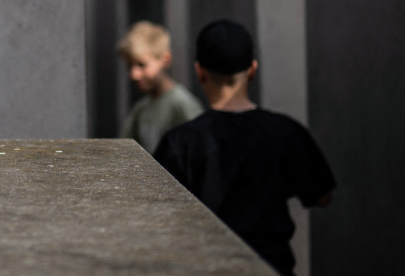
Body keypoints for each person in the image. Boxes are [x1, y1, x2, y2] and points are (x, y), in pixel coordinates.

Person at [153, 19, 336, 276]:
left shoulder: (179, 142)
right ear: (252, 70)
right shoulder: (285, 132)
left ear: (199, 72)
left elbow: (156, 214)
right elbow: (322, 195)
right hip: (272, 267)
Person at [117, 21, 203, 153]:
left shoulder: (182, 105)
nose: (134, 74)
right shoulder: (140, 110)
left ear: (165, 59)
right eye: (129, 66)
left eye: (142, 65)